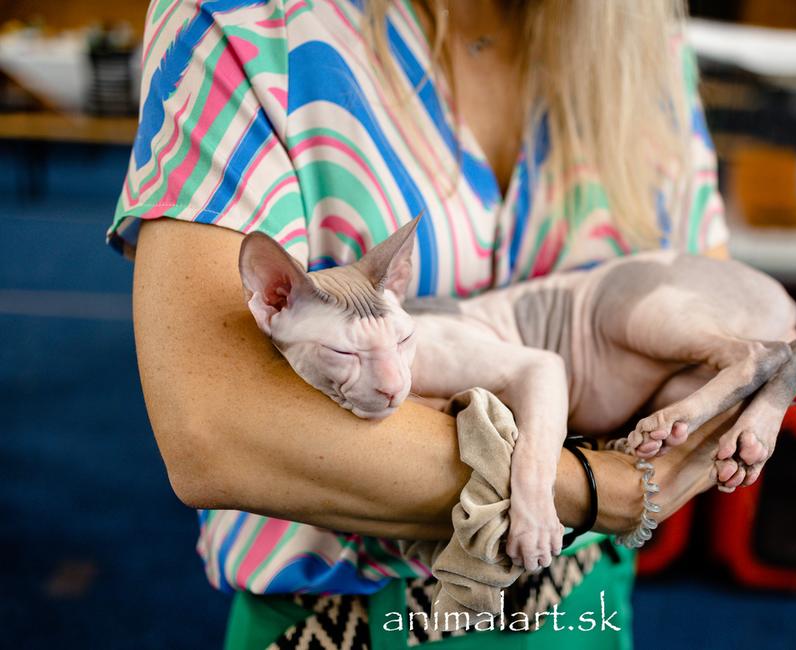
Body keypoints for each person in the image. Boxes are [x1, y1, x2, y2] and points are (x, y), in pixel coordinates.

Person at [109, 1, 741, 647]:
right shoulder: (247, 19)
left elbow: (710, 356)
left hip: (583, 596)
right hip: (355, 622)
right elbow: (218, 432)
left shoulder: (648, 38)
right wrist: (594, 486)